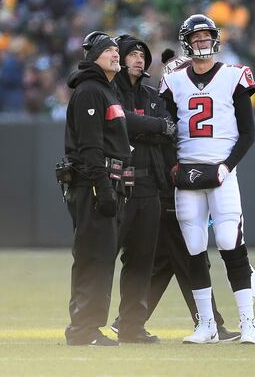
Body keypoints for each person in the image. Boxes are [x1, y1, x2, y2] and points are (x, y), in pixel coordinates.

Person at [159, 14, 255, 344]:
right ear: (187, 43)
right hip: (186, 172)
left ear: (214, 39)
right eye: (196, 38)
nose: (202, 42)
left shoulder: (234, 75)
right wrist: (174, 165)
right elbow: (167, 131)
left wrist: (226, 166)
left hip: (221, 171)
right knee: (194, 247)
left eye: (206, 37)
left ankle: (248, 323)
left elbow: (247, 134)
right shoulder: (173, 80)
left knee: (230, 242)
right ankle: (207, 325)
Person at [63, 31, 130, 347]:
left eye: (117, 49)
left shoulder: (105, 90)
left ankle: (84, 326)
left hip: (103, 185)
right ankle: (84, 329)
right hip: (92, 186)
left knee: (100, 257)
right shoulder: (90, 91)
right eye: (108, 50)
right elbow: (90, 147)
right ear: (93, 57)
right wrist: (102, 189)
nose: (116, 54)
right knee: (94, 256)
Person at [110, 34, 176, 344]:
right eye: (133, 53)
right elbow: (122, 125)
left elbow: (168, 129)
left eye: (142, 54)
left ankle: (132, 326)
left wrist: (147, 126)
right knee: (103, 256)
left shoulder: (152, 95)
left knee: (141, 260)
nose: (139, 58)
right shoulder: (108, 92)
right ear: (119, 57)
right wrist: (154, 126)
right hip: (118, 185)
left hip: (149, 185)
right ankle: (87, 324)